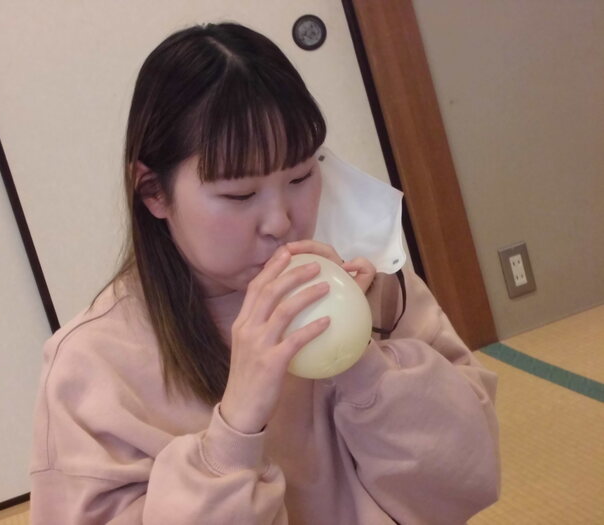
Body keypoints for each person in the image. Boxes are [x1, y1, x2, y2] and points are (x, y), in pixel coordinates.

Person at [29, 22, 500, 525]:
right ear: (153, 192)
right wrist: (235, 428)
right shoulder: (92, 365)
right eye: (240, 195)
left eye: (301, 176)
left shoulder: (370, 286)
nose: (280, 221)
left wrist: (364, 362)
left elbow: (467, 479)